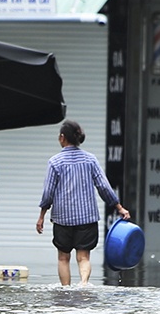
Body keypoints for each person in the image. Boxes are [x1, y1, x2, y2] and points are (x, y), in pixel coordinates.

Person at [35, 120, 129, 286]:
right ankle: (84, 283)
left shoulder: (55, 162)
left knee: (63, 257)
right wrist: (119, 207)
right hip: (87, 218)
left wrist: (42, 215)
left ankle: (66, 290)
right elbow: (104, 186)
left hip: (62, 219)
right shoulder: (90, 160)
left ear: (62, 138)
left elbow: (48, 192)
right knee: (83, 257)